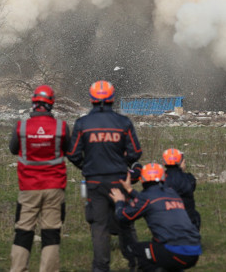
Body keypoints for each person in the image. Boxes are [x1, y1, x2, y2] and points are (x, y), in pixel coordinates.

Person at [68, 80, 143, 272]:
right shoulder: (123, 122)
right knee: (125, 223)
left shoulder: (82, 123)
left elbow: (73, 154)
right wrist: (123, 164)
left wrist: (87, 167)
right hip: (119, 180)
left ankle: (101, 268)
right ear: (112, 98)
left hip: (95, 181)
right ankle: (136, 262)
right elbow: (135, 152)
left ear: (92, 99)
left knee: (99, 227)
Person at [8, 85, 73, 272]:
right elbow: (68, 150)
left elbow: (13, 149)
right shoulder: (62, 127)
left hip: (28, 187)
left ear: (33, 102)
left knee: (23, 230)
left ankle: (18, 268)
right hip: (54, 187)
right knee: (51, 232)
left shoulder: (21, 127)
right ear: (51, 104)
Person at [110, 163, 202, 271]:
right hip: (194, 251)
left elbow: (123, 216)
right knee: (161, 251)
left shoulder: (147, 197)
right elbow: (150, 201)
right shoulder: (172, 193)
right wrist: (130, 190)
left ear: (143, 179)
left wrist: (119, 202)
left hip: (176, 252)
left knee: (133, 249)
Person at [162, 148, 201, 230]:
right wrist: (181, 170)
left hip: (166, 223)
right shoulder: (189, 179)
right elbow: (191, 187)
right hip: (188, 222)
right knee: (196, 215)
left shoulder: (161, 180)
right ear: (181, 162)